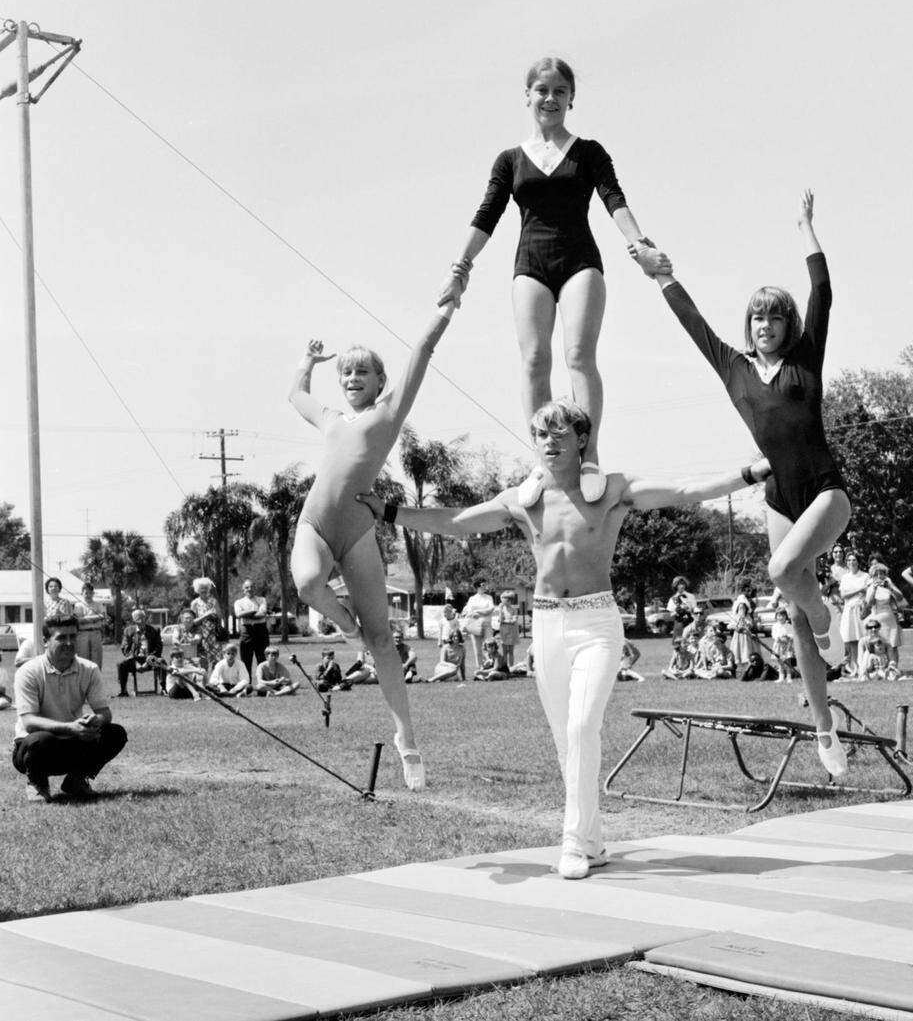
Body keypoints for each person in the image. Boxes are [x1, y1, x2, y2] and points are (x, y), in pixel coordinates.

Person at [360, 398, 768, 878]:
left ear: (581, 439)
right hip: (548, 623)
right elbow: (455, 522)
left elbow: (684, 490)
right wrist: (389, 511)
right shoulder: (521, 499)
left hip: (596, 622)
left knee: (581, 730)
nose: (549, 443)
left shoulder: (612, 489)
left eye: (558, 434)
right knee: (565, 741)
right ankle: (593, 842)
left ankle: (572, 843)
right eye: (540, 435)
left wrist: (753, 472)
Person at [650, 190, 851, 775]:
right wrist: (664, 278)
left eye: (775, 315)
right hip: (779, 498)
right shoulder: (734, 367)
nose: (765, 324)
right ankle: (824, 730)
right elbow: (693, 325)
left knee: (784, 574)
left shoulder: (805, 359)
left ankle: (828, 621)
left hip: (825, 491)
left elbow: (824, 292)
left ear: (788, 323)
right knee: (790, 613)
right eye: (758, 316)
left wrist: (805, 227)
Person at [441, 56, 670, 506]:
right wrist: (459, 270)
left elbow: (614, 200)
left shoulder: (589, 153)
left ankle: (589, 456)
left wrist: (640, 246)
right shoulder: (509, 160)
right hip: (531, 265)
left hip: (580, 261)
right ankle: (542, 460)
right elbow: (486, 215)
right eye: (541, 90)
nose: (550, 99)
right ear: (527, 96)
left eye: (559, 92)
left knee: (579, 355)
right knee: (533, 361)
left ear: (571, 100)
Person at [287, 297, 457, 794]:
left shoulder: (388, 414)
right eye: (346, 372)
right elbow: (295, 394)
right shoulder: (332, 420)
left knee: (383, 640)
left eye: (362, 371)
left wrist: (445, 309)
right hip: (315, 525)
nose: (352, 377)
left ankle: (406, 740)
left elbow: (421, 353)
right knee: (308, 582)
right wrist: (309, 361)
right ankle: (346, 632)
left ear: (380, 381)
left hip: (359, 530)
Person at [12, 614, 127, 802]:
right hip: (32, 749)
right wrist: (70, 727)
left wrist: (94, 721)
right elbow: (29, 721)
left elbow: (104, 713)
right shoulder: (29, 671)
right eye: (61, 637)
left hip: (72, 740)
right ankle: (37, 782)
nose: (69, 642)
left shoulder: (89, 669)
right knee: (39, 740)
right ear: (45, 641)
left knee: (115, 733)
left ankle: (76, 780)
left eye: (73, 636)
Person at [837, 551, 871, 676]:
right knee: (850, 639)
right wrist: (859, 590)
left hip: (861, 609)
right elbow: (843, 595)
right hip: (849, 609)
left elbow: (868, 591)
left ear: (858, 561)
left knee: (862, 638)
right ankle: (854, 667)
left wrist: (860, 593)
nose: (851, 562)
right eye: (849, 560)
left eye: (854, 560)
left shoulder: (865, 576)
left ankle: (866, 666)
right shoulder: (845, 577)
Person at [863, 561, 907, 656]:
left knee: (892, 646)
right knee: (878, 646)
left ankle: (893, 667)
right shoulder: (870, 586)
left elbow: (900, 597)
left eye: (881, 573)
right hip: (876, 620)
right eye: (876, 574)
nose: (879, 576)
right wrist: (874, 589)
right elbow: (869, 604)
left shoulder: (888, 583)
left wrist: (890, 588)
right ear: (872, 576)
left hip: (889, 619)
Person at [117, 609, 164, 697]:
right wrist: (135, 662)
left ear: (146, 618)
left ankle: (164, 689)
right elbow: (125, 648)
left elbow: (159, 647)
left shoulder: (154, 630)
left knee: (161, 661)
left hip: (150, 658)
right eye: (138, 618)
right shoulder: (128, 631)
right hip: (134, 659)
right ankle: (123, 691)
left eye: (143, 617)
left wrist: (149, 660)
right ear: (134, 620)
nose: (141, 620)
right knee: (121, 664)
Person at [460, 580, 496, 680]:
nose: (485, 586)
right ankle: (479, 670)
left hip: (487, 625)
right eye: (482, 585)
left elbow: (491, 609)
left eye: (485, 584)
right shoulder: (472, 599)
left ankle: (490, 668)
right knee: (477, 649)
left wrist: (477, 611)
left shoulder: (489, 597)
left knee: (489, 647)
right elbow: (470, 612)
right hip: (475, 625)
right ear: (477, 587)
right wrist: (481, 612)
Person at [234, 579, 270, 677]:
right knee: (246, 661)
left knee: (262, 659)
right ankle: (247, 686)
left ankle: (263, 686)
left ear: (255, 588)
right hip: (246, 631)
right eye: (247, 587)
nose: (249, 589)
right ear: (243, 589)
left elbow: (262, 613)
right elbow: (238, 614)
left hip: (261, 631)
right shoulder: (238, 602)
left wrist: (246, 614)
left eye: (252, 587)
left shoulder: (262, 600)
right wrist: (254, 611)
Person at [189, 577, 223, 671]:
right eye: (201, 588)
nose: (203, 590)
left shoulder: (213, 601)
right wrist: (206, 615)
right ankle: (204, 683)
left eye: (205, 588)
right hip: (201, 636)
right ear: (197, 590)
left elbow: (220, 616)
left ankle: (215, 683)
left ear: (208, 589)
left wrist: (214, 614)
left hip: (214, 635)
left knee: (217, 662)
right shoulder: (195, 603)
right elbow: (192, 622)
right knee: (203, 662)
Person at [73, 582, 105, 668]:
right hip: (83, 634)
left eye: (90, 593)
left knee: (96, 659)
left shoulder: (98, 604)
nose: (88, 595)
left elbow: (102, 616)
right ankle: (84, 680)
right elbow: (79, 620)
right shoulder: (78, 605)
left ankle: (96, 679)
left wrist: (86, 618)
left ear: (93, 593)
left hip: (96, 633)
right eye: (86, 593)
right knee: (83, 659)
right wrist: (95, 618)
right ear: (82, 593)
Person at [729, 580, 759, 669]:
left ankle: (747, 667)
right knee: (744, 649)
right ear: (744, 590)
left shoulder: (743, 600)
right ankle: (745, 668)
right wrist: (744, 628)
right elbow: (741, 617)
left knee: (746, 648)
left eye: (749, 590)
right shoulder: (742, 602)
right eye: (747, 590)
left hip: (744, 629)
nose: (749, 592)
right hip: (743, 630)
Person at [666, 577, 696, 651]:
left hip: (689, 623)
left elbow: (694, 609)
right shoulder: (672, 599)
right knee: (678, 647)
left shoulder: (691, 596)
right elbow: (671, 614)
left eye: (683, 584)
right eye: (679, 584)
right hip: (679, 624)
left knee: (691, 645)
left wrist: (688, 609)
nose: (682, 586)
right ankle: (677, 662)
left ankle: (690, 661)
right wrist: (678, 610)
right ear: (675, 586)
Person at [496, 590, 521, 670]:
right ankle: (505, 667)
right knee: (504, 651)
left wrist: (505, 621)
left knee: (510, 651)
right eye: (502, 598)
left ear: (509, 600)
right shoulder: (501, 609)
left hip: (512, 632)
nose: (502, 600)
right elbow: (500, 620)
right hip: (504, 632)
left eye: (503, 599)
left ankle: (511, 667)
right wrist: (500, 609)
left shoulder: (514, 609)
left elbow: (514, 621)